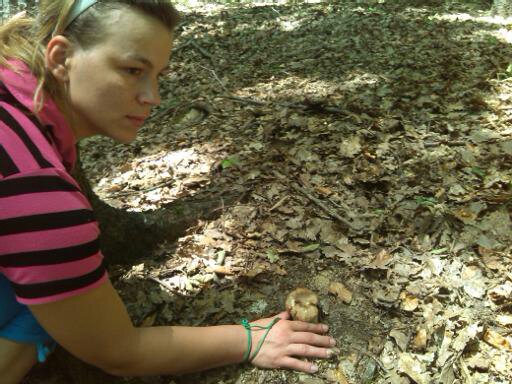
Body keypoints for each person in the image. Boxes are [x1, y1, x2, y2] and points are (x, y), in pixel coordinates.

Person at [0, 1, 336, 383]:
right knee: (42, 312)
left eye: (157, 75)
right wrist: (250, 339)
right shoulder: (36, 191)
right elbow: (119, 352)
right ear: (61, 57)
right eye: (132, 70)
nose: (152, 96)